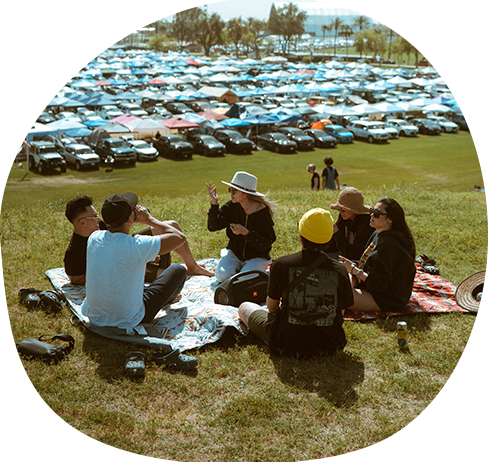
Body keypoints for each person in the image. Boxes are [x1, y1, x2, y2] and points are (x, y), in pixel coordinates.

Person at [238, 208, 354, 357]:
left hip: (286, 342)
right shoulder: (339, 269)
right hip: (330, 344)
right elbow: (340, 313)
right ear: (329, 238)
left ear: (301, 236)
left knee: (244, 307)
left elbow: (272, 308)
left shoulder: (281, 265)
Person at [81, 192, 190, 330]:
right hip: (131, 319)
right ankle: (169, 299)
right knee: (178, 270)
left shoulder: (94, 238)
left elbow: (119, 257)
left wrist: (143, 259)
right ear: (130, 218)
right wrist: (149, 219)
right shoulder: (136, 246)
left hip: (95, 317)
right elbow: (180, 237)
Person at [64, 195, 212, 285]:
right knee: (168, 274)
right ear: (82, 222)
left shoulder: (100, 227)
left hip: (127, 255)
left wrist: (141, 254)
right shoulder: (73, 254)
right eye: (94, 216)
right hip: (122, 269)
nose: (98, 218)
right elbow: (76, 280)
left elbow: (123, 243)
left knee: (172, 225)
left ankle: (192, 267)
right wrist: (134, 262)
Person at [339, 197, 416, 312]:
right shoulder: (378, 233)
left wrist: (354, 270)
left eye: (377, 213)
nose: (372, 216)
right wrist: (349, 268)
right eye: (372, 211)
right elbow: (366, 264)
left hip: (387, 297)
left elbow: (378, 284)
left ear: (390, 219)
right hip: (372, 286)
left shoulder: (388, 245)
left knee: (337, 296)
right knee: (338, 278)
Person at [206, 171, 276, 283]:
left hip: (257, 256)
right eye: (230, 189)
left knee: (243, 281)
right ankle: (240, 268)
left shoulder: (262, 212)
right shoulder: (232, 206)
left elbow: (267, 242)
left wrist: (247, 233)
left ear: (245, 193)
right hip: (235, 252)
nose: (231, 193)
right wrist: (214, 204)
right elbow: (213, 226)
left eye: (234, 190)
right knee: (222, 276)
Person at [324, 187, 374, 261]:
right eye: (339, 209)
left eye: (343, 210)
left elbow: (355, 254)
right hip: (344, 254)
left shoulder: (366, 224)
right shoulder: (344, 218)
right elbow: (332, 248)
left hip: (357, 260)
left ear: (355, 211)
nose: (341, 212)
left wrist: (337, 234)